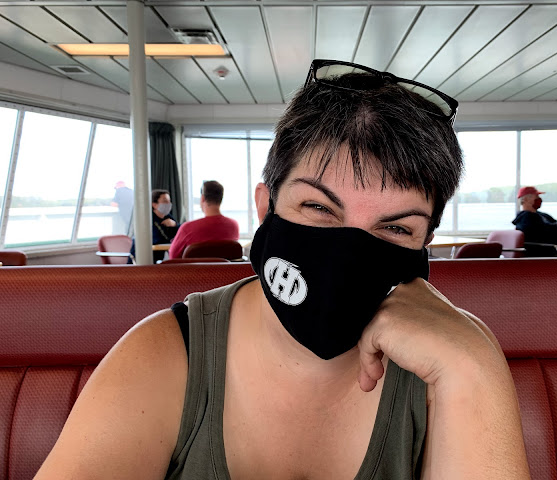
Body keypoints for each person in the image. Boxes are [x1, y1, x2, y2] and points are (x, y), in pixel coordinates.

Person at [35, 60, 530, 479]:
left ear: (425, 244)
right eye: (318, 207)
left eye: (396, 228)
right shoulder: (164, 354)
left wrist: (475, 367)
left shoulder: (452, 354)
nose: (348, 254)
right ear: (265, 206)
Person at [168, 180, 239, 259]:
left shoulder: (187, 228)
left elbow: (173, 256)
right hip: (225, 267)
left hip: (195, 267)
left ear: (202, 198)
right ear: (221, 199)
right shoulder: (234, 226)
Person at [513, 186, 557, 256]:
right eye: (536, 196)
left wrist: (556, 228)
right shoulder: (525, 218)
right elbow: (544, 234)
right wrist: (556, 227)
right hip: (551, 250)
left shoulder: (543, 215)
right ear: (525, 199)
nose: (539, 199)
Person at [129, 189, 180, 264]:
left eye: (169, 201)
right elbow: (157, 239)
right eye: (165, 201)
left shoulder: (168, 217)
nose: (169, 204)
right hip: (140, 260)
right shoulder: (147, 219)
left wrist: (175, 225)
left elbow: (181, 233)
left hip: (156, 260)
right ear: (154, 204)